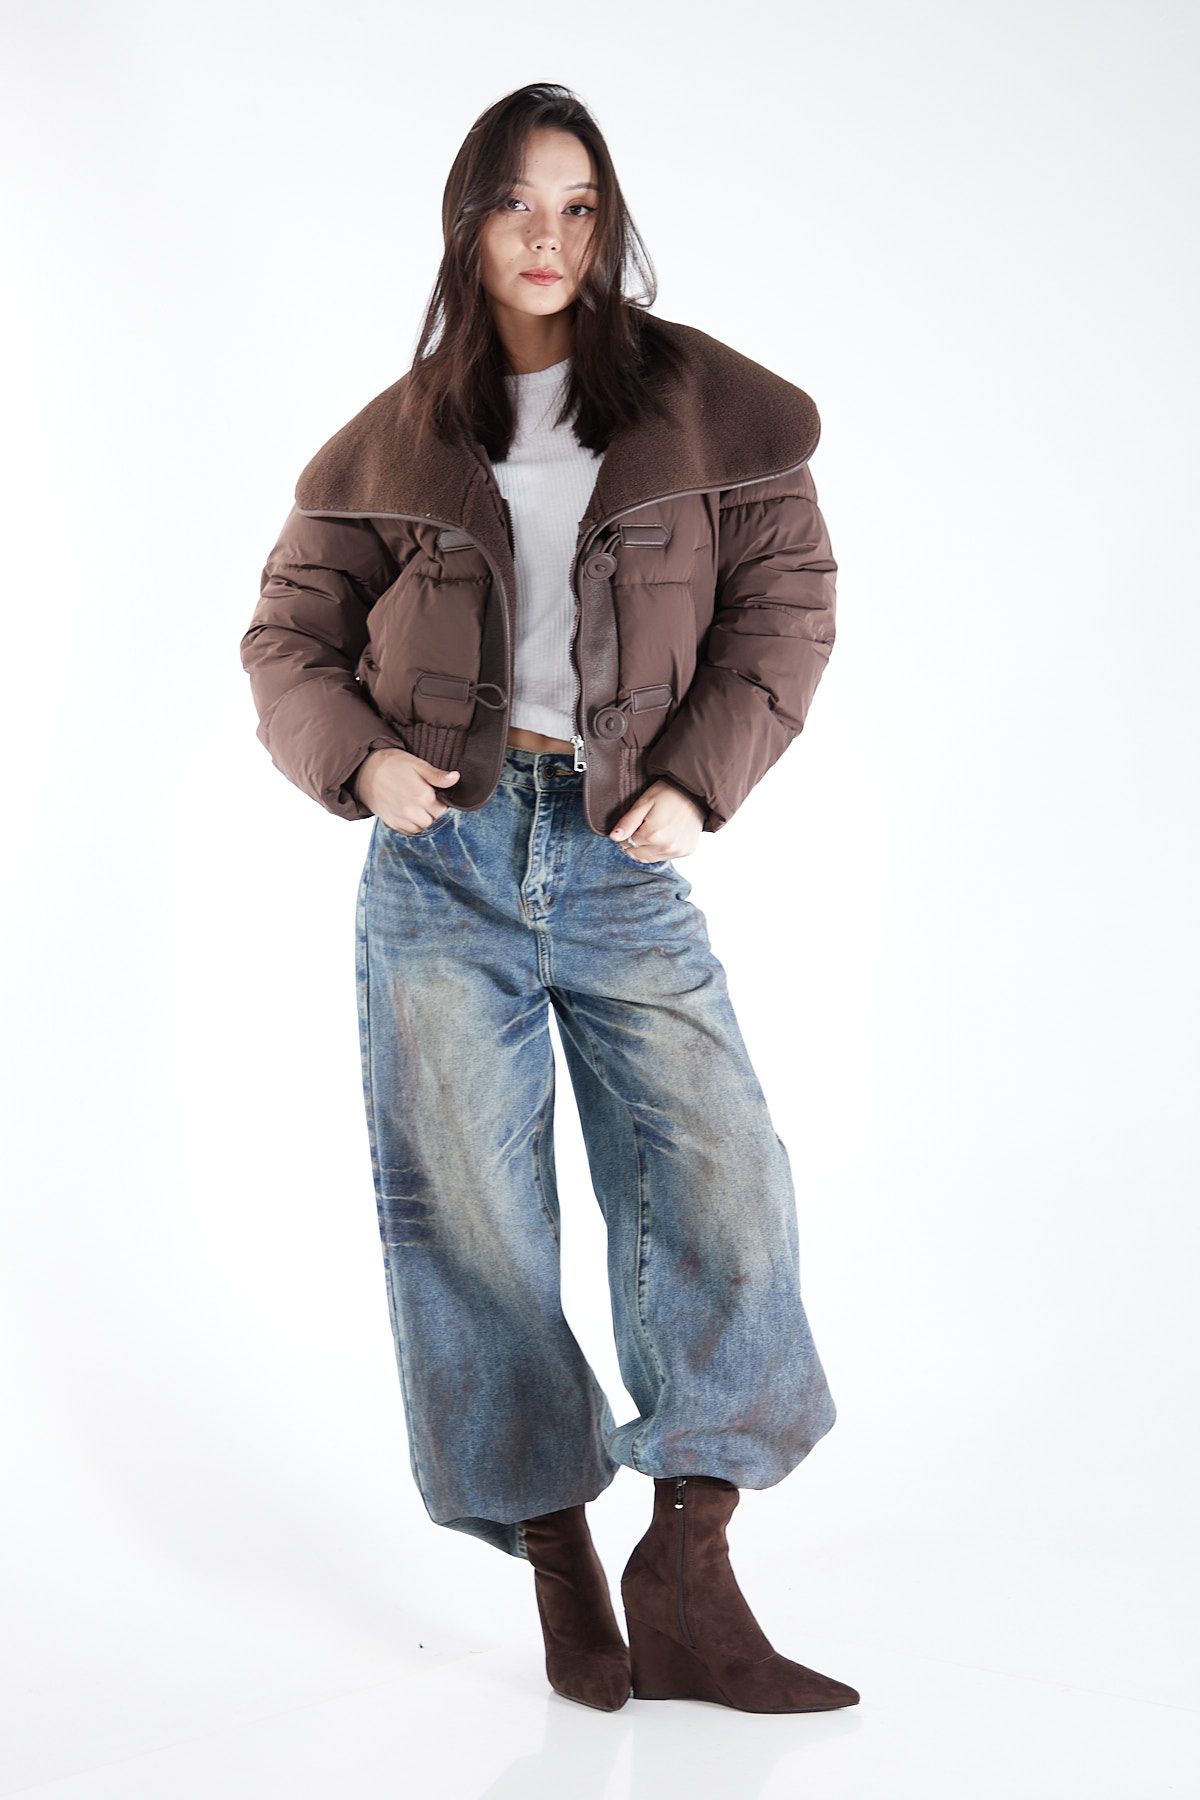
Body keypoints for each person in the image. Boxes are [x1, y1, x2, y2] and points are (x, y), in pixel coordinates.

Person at [240, 81, 858, 1716]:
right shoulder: (393, 438)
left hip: (619, 854)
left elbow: (787, 603)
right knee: (470, 1217)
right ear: (468, 222)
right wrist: (364, 764)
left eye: (579, 205)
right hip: (439, 861)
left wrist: (697, 778)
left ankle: (691, 1566)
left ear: (609, 222)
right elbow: (288, 639)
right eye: (518, 202)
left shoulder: (706, 409)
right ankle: (558, 1559)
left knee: (723, 1177)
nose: (549, 235)